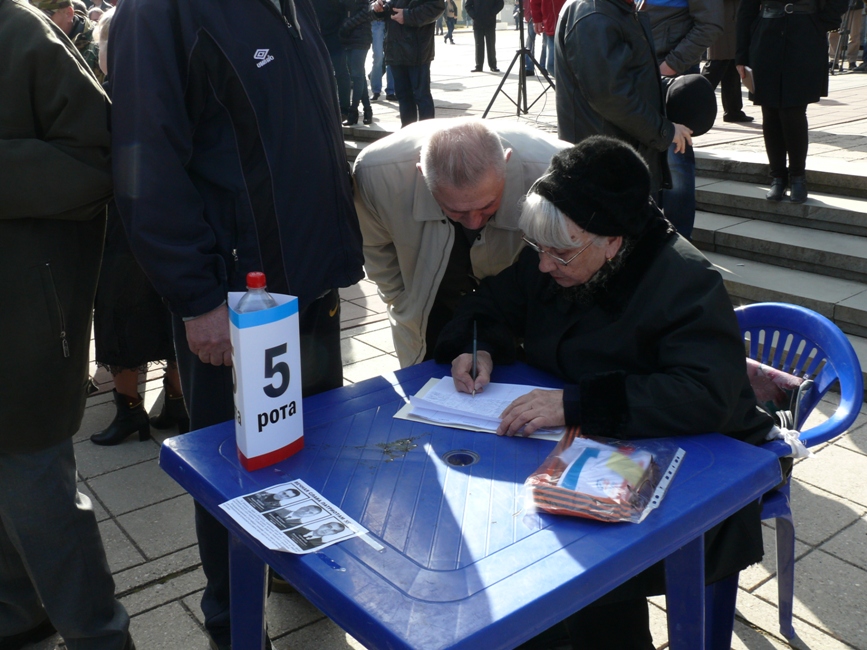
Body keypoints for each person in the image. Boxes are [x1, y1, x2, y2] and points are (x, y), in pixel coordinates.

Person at [435, 136, 775, 649]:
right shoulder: (562, 247)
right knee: (511, 559)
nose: (545, 265)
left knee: (583, 578)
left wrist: (577, 404)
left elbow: (706, 393)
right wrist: (474, 346)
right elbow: (493, 302)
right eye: (539, 249)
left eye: (560, 254)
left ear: (612, 241)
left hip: (686, 469)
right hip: (569, 453)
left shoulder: (682, 280)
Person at [108, 0, 365, 647]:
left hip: (310, 283)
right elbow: (146, 161)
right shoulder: (159, 12)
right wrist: (196, 299)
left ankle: (302, 575)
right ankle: (232, 616)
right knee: (235, 470)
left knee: (310, 453)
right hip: (238, 304)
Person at [0, 1, 133, 649]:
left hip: (20, 328)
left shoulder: (18, 31)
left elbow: (95, 159)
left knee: (40, 499)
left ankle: (100, 637)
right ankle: (19, 617)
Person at [353, 118, 568, 366]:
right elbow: (375, 247)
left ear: (505, 163)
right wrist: (402, 299)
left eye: (487, 205)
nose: (474, 222)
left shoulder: (557, 170)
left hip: (523, 311)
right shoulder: (376, 175)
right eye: (455, 211)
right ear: (422, 173)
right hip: (433, 307)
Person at [88, 6, 189, 447]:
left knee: (124, 316)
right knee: (166, 310)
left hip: (125, 225)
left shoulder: (104, 97)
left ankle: (142, 409)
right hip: (168, 220)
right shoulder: (171, 84)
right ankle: (171, 403)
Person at [555, 0, 693, 196]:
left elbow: (628, 78)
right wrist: (663, 130)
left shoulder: (614, 8)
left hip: (620, 160)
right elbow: (610, 96)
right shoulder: (595, 14)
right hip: (605, 168)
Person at [736, 0, 848, 202]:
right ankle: (777, 177)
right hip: (765, 36)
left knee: (793, 111)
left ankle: (798, 177)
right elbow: (746, 9)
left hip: (804, 37)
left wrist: (823, 22)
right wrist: (741, 55)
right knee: (769, 111)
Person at [644, 0, 722, 239]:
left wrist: (670, 66)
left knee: (675, 161)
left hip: (672, 75)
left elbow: (710, 25)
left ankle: (679, 244)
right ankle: (648, 239)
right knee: (645, 158)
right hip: (643, 72)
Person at [373, 0, 445, 126]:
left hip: (417, 50)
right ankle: (407, 137)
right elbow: (388, 5)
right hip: (395, 48)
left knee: (421, 96)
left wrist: (408, 16)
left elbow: (436, 7)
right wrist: (379, 8)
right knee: (403, 96)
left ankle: (427, 137)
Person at [702, 0, 754, 123]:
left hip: (733, 20)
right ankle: (691, 102)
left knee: (732, 67)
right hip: (721, 20)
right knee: (717, 65)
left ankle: (733, 111)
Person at [33, 0, 102, 81]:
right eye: (34, 17)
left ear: (68, 14)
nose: (38, 23)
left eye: (46, 17)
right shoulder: (36, 43)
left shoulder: (99, 43)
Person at [339, 0, 375, 125]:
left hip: (361, 37)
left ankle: (353, 111)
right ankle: (367, 109)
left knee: (356, 74)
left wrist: (347, 25)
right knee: (358, 74)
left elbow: (366, 12)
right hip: (348, 37)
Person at [466, 0, 504, 72]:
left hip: (490, 22)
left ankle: (493, 65)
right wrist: (474, 15)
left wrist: (492, 13)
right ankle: (479, 66)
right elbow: (468, 6)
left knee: (491, 44)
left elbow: (500, 3)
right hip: (477, 22)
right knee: (478, 45)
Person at [529, 0, 565, 76]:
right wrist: (537, 19)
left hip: (572, 26)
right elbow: (535, 2)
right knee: (551, 66)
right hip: (552, 26)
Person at [829, 0, 864, 70]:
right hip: (837, 5)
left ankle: (852, 61)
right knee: (834, 32)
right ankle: (833, 60)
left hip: (856, 4)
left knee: (854, 34)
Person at [369, 20, 396, 100]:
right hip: (378, 20)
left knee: (391, 58)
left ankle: (391, 91)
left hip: (393, 21)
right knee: (378, 57)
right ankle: (376, 90)